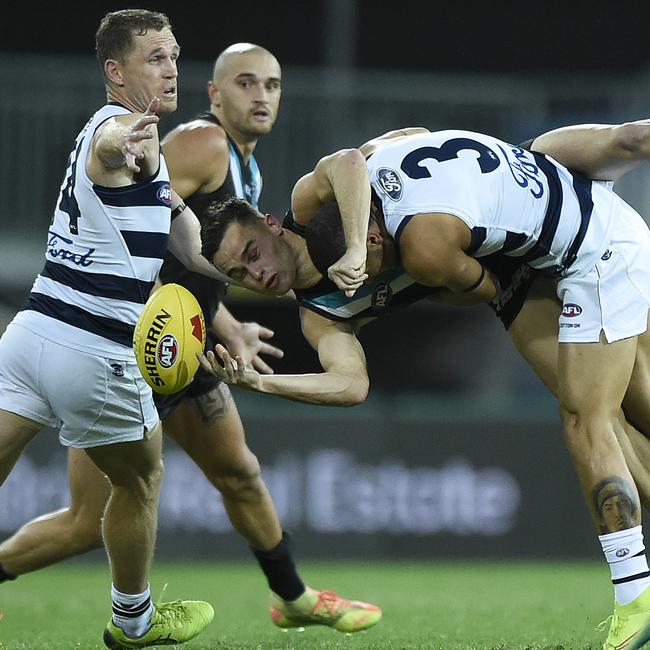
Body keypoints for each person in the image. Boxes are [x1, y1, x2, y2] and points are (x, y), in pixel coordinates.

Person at [198, 120, 650, 650]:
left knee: (588, 419)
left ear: (271, 225)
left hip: (550, 235)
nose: (256, 275)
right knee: (612, 421)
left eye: (251, 253)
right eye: (240, 276)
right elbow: (350, 384)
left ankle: (634, 597)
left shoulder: (318, 204)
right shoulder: (321, 312)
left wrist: (367, 247)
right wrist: (260, 383)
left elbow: (354, 158)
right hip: (514, 255)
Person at [0, 42, 382, 634]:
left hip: (188, 349)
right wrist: (159, 325)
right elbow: (141, 223)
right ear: (216, 93)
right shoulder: (203, 143)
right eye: (246, 83)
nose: (261, 96)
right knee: (86, 520)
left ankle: (294, 598)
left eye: (272, 85)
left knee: (240, 473)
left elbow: (197, 254)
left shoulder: (245, 169)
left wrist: (223, 321)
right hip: (139, 347)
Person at [0, 10, 219, 649]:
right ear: (115, 71)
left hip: (30, 335)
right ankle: (135, 622)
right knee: (141, 479)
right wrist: (124, 145)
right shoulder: (117, 130)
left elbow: (195, 248)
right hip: (91, 350)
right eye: (155, 57)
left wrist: (265, 271)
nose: (172, 66)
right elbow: (109, 149)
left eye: (174, 54)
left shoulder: (152, 163)